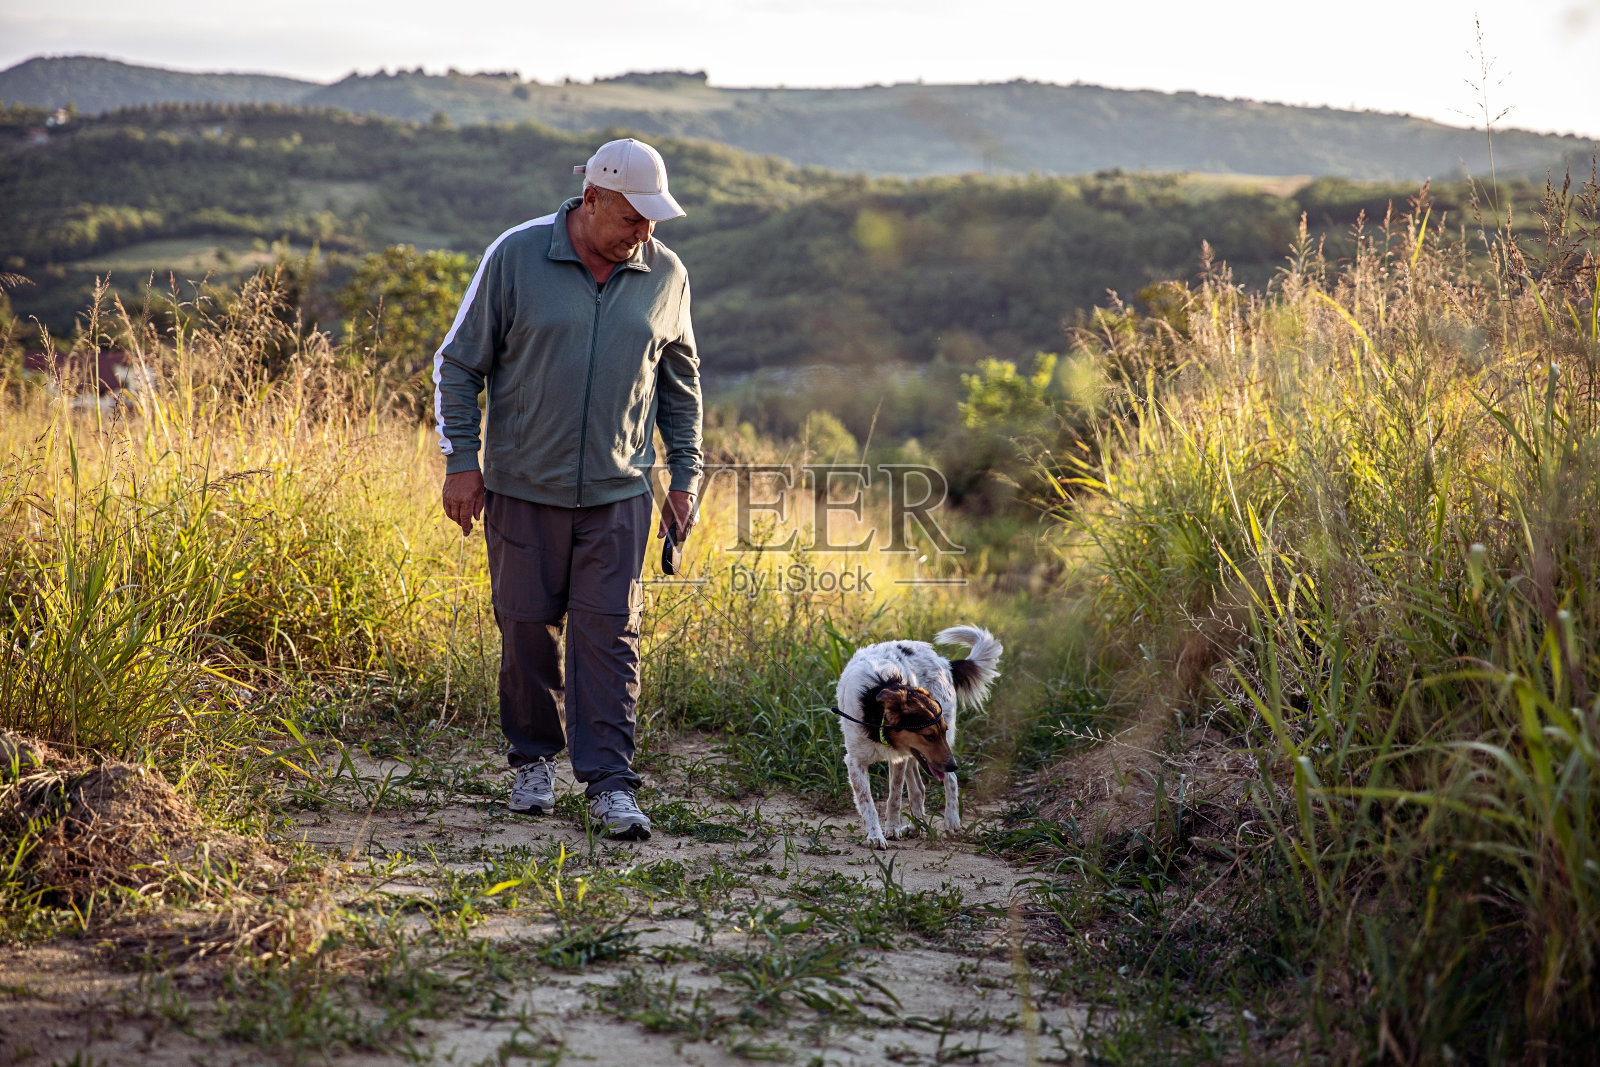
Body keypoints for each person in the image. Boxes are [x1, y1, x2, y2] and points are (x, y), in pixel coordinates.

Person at [432, 137, 702, 840]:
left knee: (610, 637)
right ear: (592, 200)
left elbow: (681, 386)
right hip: (523, 489)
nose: (643, 233)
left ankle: (612, 784)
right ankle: (531, 760)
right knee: (525, 629)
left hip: (620, 494)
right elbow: (458, 364)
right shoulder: (517, 256)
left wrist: (685, 477)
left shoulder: (667, 276)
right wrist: (463, 460)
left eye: (651, 221)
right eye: (631, 218)